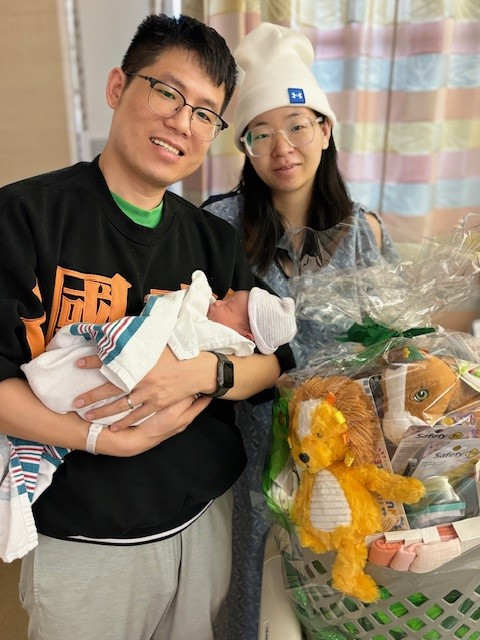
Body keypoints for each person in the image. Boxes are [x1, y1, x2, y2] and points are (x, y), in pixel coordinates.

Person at [0, 14, 295, 640]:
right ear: (117, 87)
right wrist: (110, 441)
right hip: (86, 537)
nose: (183, 122)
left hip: (203, 520)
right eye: (168, 92)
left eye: (206, 113)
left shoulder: (211, 239)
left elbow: (276, 359)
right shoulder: (25, 217)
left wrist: (200, 372)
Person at [202, 22, 398, 640]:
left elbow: (389, 349)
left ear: (326, 130)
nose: (282, 147)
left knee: (339, 602)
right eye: (260, 133)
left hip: (342, 462)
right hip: (244, 459)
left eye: (297, 125)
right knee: (249, 604)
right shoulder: (216, 226)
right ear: (245, 147)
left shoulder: (365, 232)